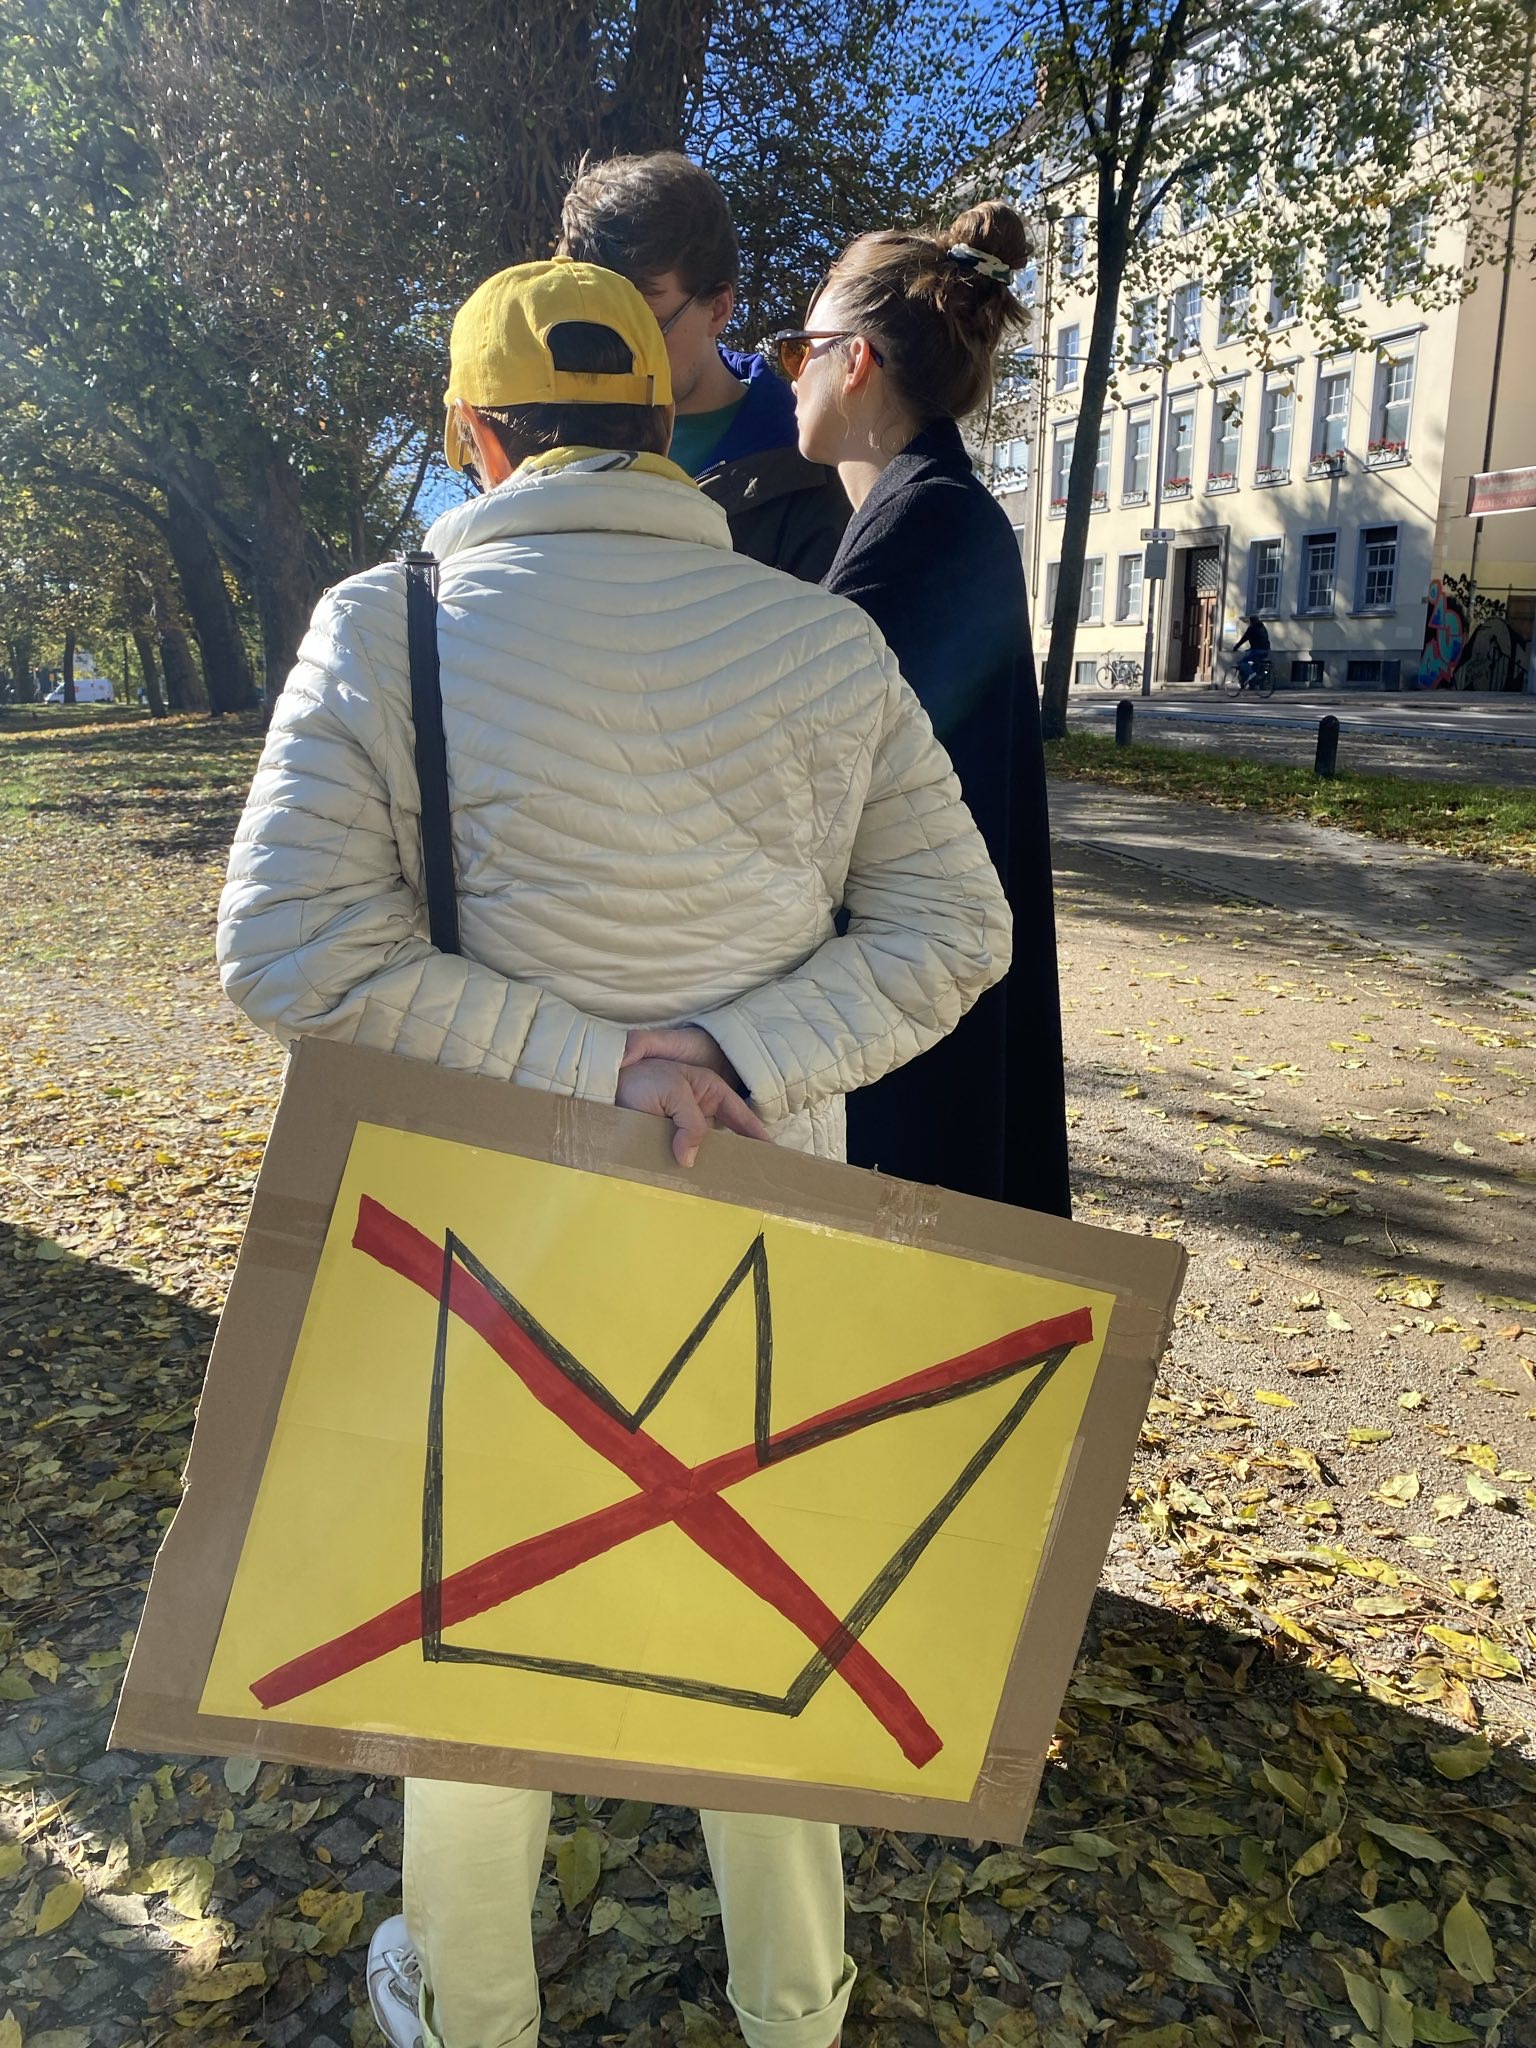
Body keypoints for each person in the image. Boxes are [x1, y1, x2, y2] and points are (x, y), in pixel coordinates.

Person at [216, 257, 1010, 2048]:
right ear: (668, 432)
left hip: (481, 1220)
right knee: (771, 1608)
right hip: (767, 1208)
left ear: (473, 437)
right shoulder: (827, 638)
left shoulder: (382, 623)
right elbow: (954, 931)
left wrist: (586, 1063)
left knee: (472, 1616)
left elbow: (287, 952)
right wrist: (727, 1056)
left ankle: (475, 2007)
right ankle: (794, 2002)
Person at [765, 202, 1070, 1217]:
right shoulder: (928, 512)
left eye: (795, 347)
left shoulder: (921, 529)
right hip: (929, 1006)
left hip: (918, 1026)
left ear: (854, 363)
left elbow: (822, 791)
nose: (783, 372)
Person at [557, 150, 850, 580]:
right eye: (601, 329)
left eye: (647, 327)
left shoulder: (811, 465)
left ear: (718, 309)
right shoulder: (552, 440)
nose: (620, 355)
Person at [1232, 613, 1272, 686]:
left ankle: (1251, 675)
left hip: (1256, 650)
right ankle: (1254, 681)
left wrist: (1236, 647)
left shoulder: (1252, 628)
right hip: (1266, 650)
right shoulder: (1263, 627)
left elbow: (1244, 639)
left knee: (1242, 662)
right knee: (1254, 662)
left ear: (1251, 621)